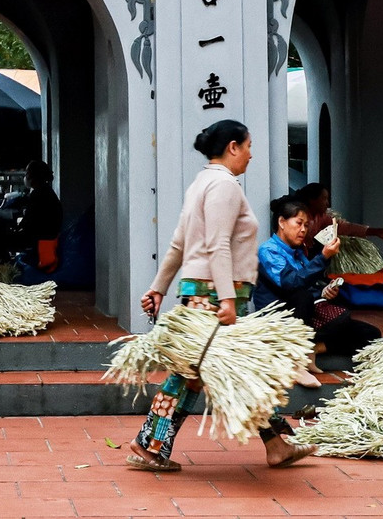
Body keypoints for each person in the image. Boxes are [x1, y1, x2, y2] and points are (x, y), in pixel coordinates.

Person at [128, 119, 315, 473]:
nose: (250, 154)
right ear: (232, 147)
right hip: (216, 298)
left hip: (207, 293)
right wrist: (227, 299)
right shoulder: (224, 186)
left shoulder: (201, 183)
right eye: (247, 146)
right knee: (193, 373)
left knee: (241, 370)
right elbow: (216, 244)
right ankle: (150, 444)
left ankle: (276, 444)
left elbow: (179, 244)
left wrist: (158, 287)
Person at [255, 196, 381, 386]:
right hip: (279, 321)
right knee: (302, 296)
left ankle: (313, 349)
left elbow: (309, 284)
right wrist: (322, 258)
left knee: (369, 333)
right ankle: (297, 360)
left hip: (305, 318)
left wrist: (324, 291)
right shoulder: (268, 251)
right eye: (299, 223)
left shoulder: (297, 252)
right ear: (282, 222)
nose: (303, 230)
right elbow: (292, 284)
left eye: (306, 225)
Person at [295, 182, 383, 273]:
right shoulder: (296, 214)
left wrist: (375, 232)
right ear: (312, 200)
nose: (327, 203)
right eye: (324, 199)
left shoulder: (320, 217)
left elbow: (345, 227)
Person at [0, 160, 62, 267]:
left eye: (27, 173)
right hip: (40, 236)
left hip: (37, 239)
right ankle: (5, 266)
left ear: (34, 176)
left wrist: (15, 225)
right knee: (1, 235)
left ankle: (0, 269)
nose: (25, 177)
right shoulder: (44, 192)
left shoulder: (40, 195)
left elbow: (30, 223)